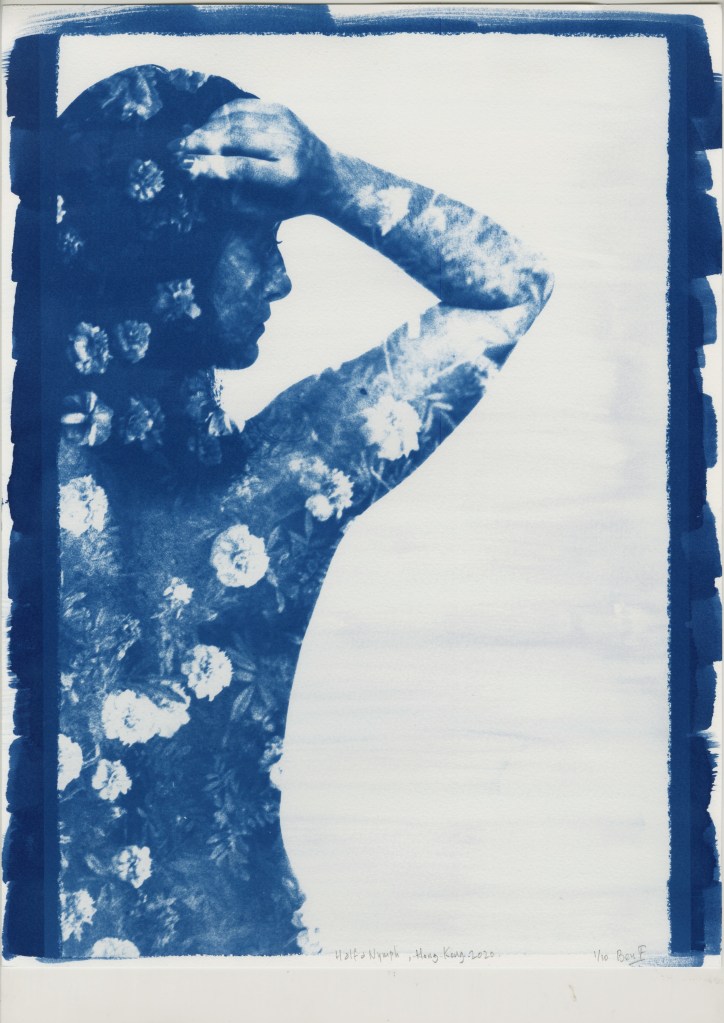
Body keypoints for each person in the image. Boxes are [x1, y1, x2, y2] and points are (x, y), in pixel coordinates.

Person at [49, 65, 553, 958]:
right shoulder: (272, 487)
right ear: (173, 257)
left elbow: (518, 286)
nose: (280, 282)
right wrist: (327, 179)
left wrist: (320, 175)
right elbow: (511, 285)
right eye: (259, 245)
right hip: (247, 972)